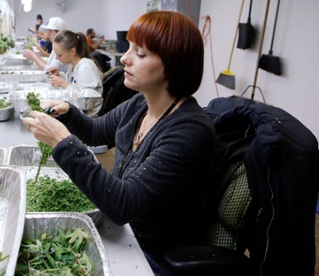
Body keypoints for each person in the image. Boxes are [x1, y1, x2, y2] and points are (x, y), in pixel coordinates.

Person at [23, 11, 216, 275]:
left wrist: (61, 140)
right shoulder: (139, 104)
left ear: (173, 64)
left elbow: (122, 204)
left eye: (140, 53)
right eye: (130, 48)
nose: (124, 58)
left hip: (152, 254)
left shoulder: (189, 131)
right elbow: (93, 131)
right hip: (123, 232)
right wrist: (67, 111)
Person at [47, 30, 103, 117]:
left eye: (60, 55)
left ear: (72, 51)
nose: (57, 58)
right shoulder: (73, 65)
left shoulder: (85, 67)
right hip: (77, 114)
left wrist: (63, 83)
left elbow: (85, 101)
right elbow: (75, 84)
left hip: (87, 120)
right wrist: (59, 75)